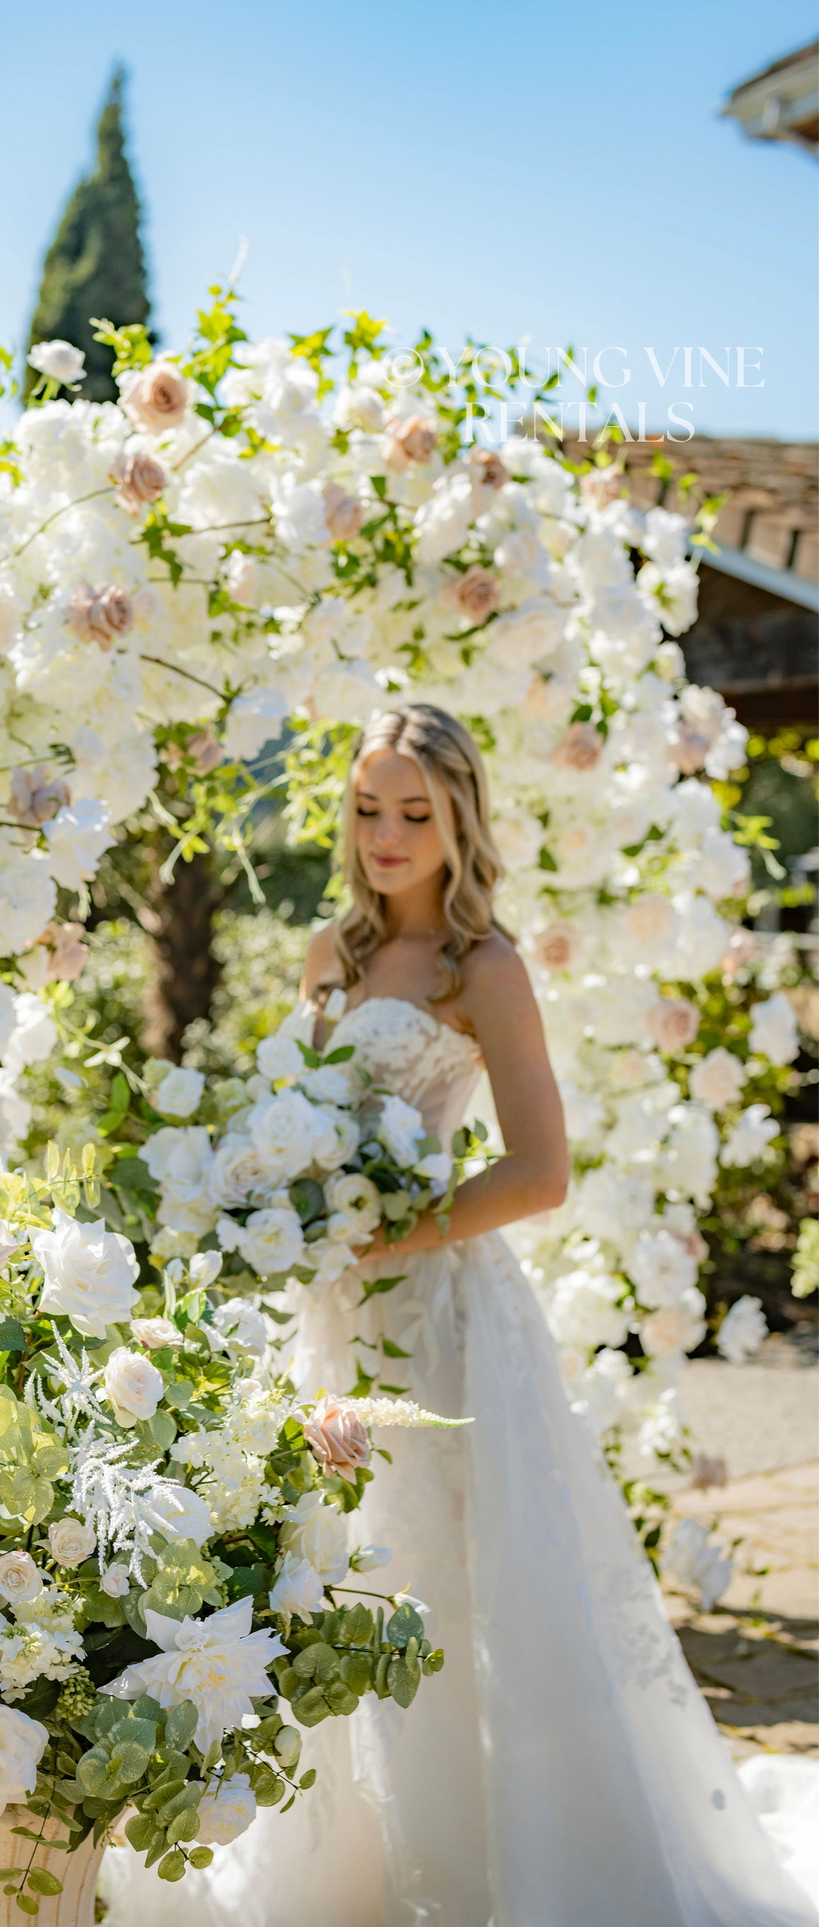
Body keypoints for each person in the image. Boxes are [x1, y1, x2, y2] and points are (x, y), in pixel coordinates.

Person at [103, 704, 817, 1926]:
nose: (385, 835)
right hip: (323, 1316)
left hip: (435, 1318)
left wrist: (389, 1227)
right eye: (366, 809)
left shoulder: (480, 971)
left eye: (412, 813)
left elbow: (539, 1172)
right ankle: (344, 1865)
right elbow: (296, 1114)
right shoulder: (326, 955)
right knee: (323, 1573)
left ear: (457, 820)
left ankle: (492, 1860)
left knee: (437, 1578)